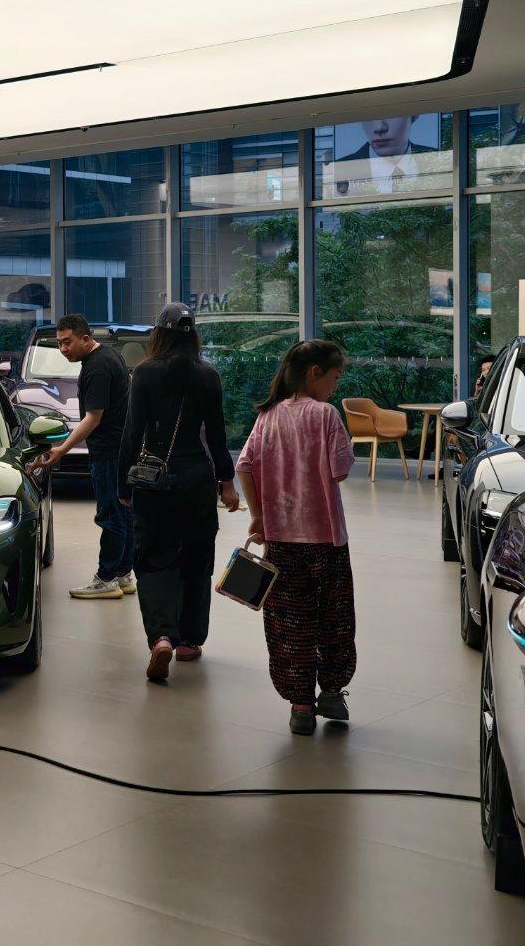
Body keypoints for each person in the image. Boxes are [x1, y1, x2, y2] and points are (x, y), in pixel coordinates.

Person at [236, 340, 356, 736]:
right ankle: (332, 692)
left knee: (290, 623)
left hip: (281, 540)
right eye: (335, 378)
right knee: (334, 618)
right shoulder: (325, 415)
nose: (335, 387)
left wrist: (258, 517)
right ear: (315, 373)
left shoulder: (267, 416)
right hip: (326, 540)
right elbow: (340, 470)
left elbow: (244, 466)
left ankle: (300, 706)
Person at [118, 302, 238, 681]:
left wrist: (123, 482)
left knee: (153, 559)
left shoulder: (145, 373)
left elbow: (132, 433)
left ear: (159, 334)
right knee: (197, 560)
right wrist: (227, 482)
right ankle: (188, 640)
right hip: (197, 480)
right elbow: (217, 437)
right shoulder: (208, 376)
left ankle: (161, 637)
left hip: (155, 481)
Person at [37, 314, 134, 599]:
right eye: (59, 343)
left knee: (111, 516)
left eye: (67, 342)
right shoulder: (109, 356)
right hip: (120, 449)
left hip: (108, 453)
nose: (63, 349)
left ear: (85, 338)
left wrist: (62, 449)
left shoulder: (97, 367)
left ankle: (106, 578)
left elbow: (93, 418)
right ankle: (123, 574)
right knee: (123, 514)